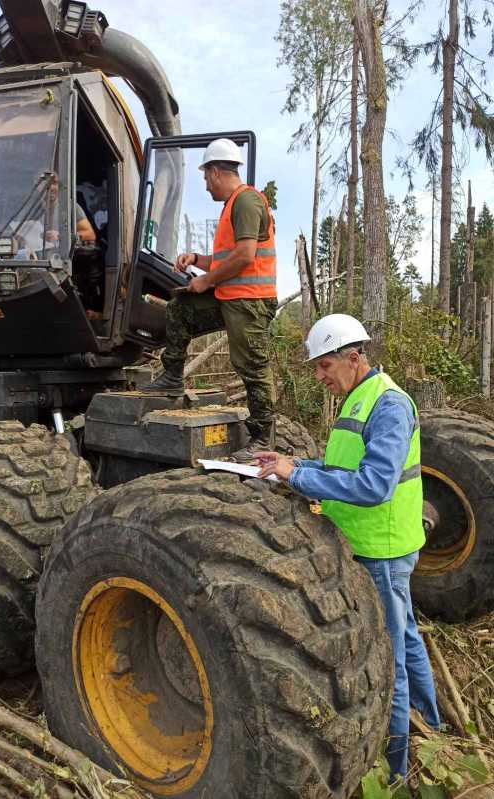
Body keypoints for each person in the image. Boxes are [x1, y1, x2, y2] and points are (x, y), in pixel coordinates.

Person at [256, 313, 440, 783]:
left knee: (390, 656)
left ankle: (396, 771)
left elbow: (375, 484)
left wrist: (297, 477)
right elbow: (343, 465)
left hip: (383, 548)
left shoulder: (389, 405)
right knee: (408, 635)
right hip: (376, 544)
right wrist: (293, 462)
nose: (320, 377)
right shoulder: (359, 400)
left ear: (354, 358)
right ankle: (432, 727)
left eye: (324, 366)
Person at [143, 138, 278, 462]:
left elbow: (245, 256)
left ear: (216, 172)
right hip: (230, 296)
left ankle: (262, 438)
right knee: (181, 309)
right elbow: (227, 258)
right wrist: (197, 259)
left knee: (251, 366)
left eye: (205, 178)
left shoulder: (245, 201)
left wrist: (206, 280)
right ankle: (172, 376)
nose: (206, 186)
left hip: (249, 302)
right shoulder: (232, 206)